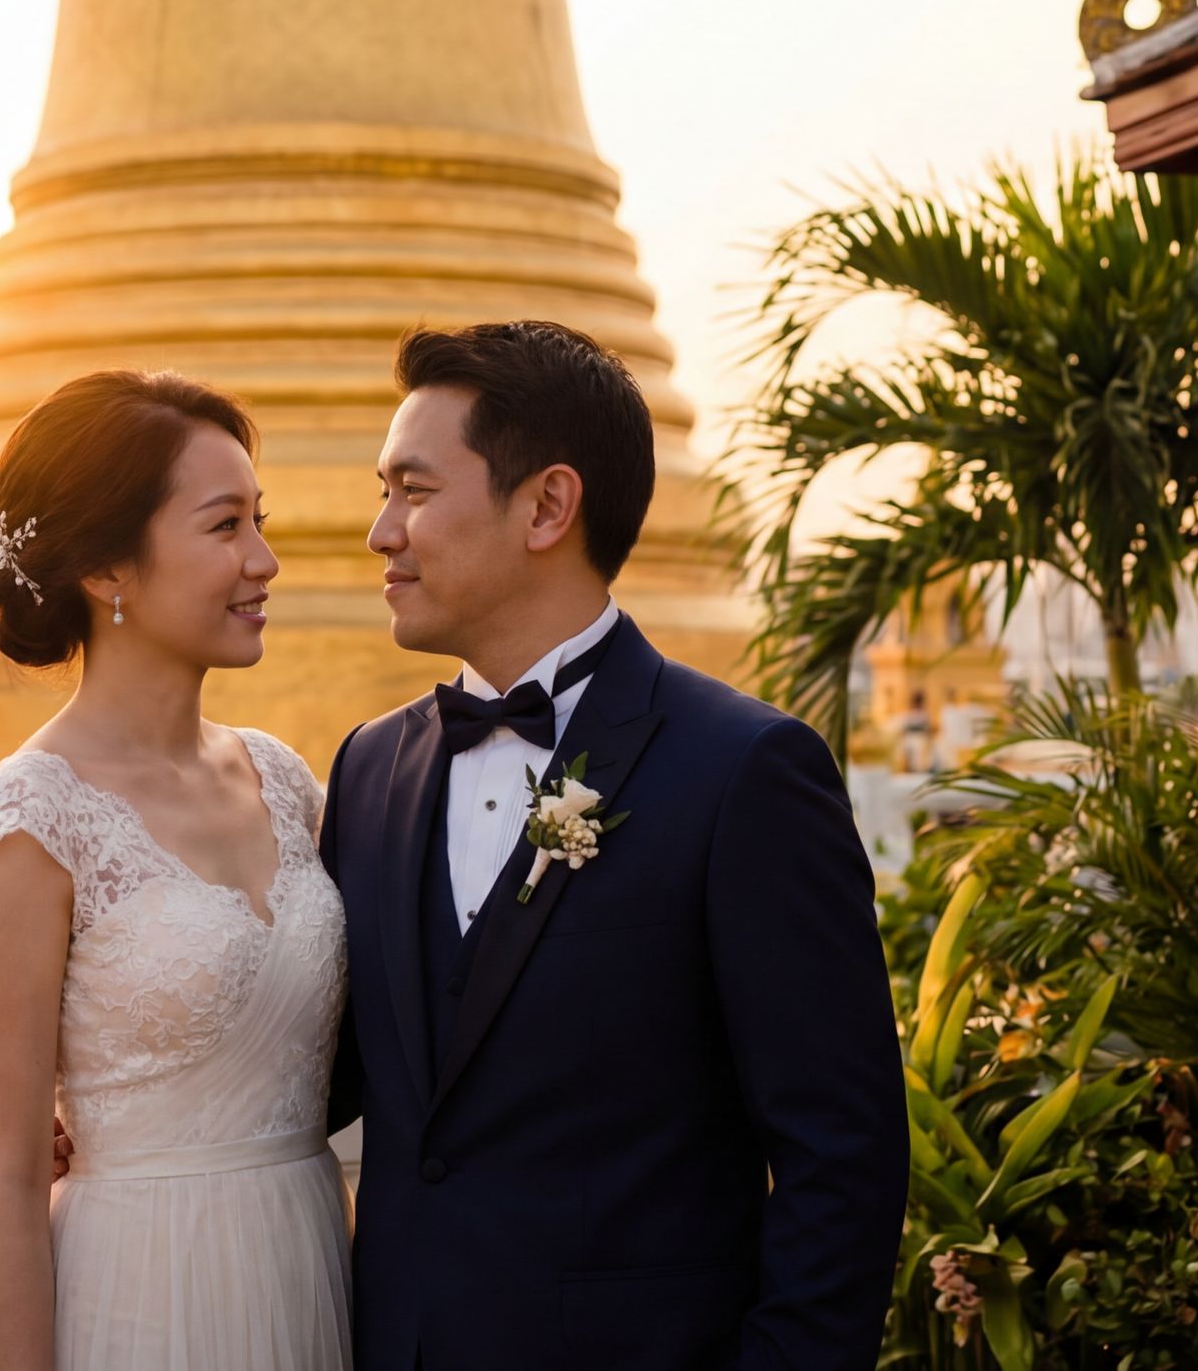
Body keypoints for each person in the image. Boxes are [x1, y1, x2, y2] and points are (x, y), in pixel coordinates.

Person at [321, 320, 907, 1369]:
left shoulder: (745, 773)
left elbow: (842, 1161)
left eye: (412, 490)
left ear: (547, 505)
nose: (380, 532)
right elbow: (343, 1069)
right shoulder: (370, 770)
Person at [0, 370, 349, 1371]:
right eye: (224, 527)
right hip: (138, 1296)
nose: (264, 560)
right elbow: (1, 1179)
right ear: (106, 570)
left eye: (261, 520)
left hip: (311, 1268)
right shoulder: (27, 821)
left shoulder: (285, 779)